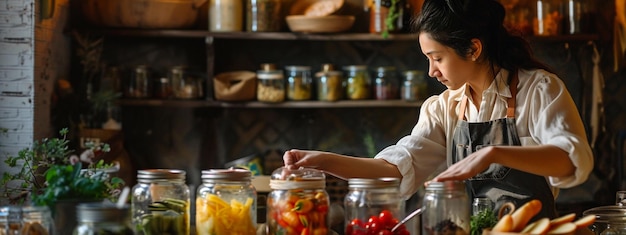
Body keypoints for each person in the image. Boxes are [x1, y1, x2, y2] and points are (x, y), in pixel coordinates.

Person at [282, 0, 594, 219]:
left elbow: (569, 161)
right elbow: (394, 169)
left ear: (473, 48)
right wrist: (322, 161)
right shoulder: (444, 108)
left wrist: (493, 153)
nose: (431, 71)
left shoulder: (538, 89)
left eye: (437, 58)